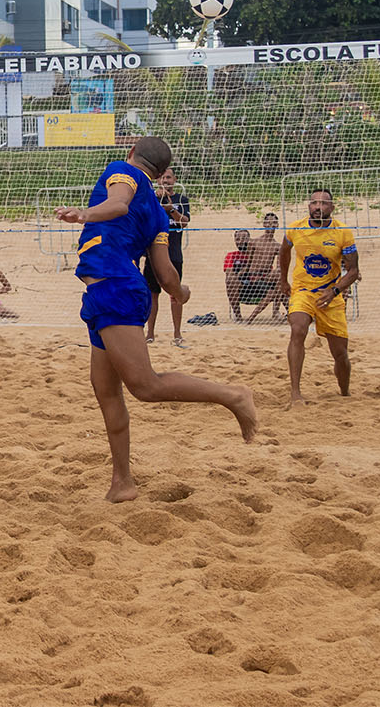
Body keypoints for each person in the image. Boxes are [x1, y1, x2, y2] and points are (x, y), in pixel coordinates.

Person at [56, 137, 257, 503]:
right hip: (109, 292)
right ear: (163, 173)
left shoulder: (123, 171)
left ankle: (234, 396)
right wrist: (182, 294)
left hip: (115, 286)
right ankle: (122, 482)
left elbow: (116, 205)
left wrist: (84, 214)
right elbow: (165, 275)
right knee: (105, 390)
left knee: (145, 386)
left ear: (131, 154)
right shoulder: (159, 214)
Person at [279, 187, 360, 407]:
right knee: (298, 329)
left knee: (340, 354)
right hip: (303, 290)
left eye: (323, 203)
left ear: (332, 208)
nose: (318, 207)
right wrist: (283, 280)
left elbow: (353, 271)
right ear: (309, 206)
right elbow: (284, 251)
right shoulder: (295, 228)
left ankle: (344, 391)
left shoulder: (343, 233)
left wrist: (334, 290)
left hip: (330, 294)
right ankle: (295, 393)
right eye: (314, 203)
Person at [141, 168, 189, 345]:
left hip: (174, 255)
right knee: (152, 294)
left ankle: (177, 334)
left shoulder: (181, 200)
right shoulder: (150, 198)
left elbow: (184, 223)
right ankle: (150, 333)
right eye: (162, 177)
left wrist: (171, 210)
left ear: (175, 180)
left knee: (175, 294)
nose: (165, 180)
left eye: (168, 177)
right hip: (153, 255)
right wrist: (158, 204)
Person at [244, 212, 287, 324]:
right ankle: (276, 312)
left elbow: (279, 266)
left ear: (277, 225)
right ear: (264, 224)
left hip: (267, 277)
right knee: (279, 284)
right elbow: (247, 263)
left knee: (279, 277)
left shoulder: (277, 246)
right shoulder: (254, 242)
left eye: (273, 223)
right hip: (253, 277)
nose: (271, 225)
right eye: (268, 222)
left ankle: (275, 312)